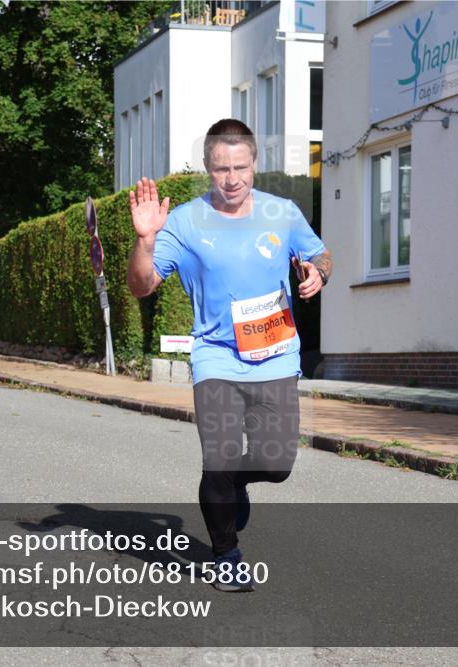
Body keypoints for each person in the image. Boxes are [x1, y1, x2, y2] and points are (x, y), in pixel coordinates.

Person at [127, 119, 332, 592]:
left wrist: (319, 273)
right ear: (208, 167)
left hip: (276, 356)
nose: (233, 178)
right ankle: (226, 554)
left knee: (277, 464)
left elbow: (322, 255)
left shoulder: (283, 212)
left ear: (255, 163)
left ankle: (233, 484)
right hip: (216, 359)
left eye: (241, 167)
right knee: (218, 460)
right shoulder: (183, 221)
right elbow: (141, 285)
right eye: (222, 169)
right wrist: (145, 241)